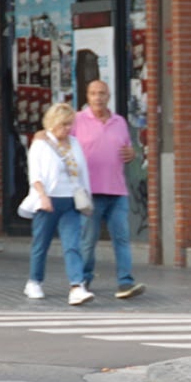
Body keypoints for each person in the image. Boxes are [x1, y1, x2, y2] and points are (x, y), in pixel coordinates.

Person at [72, 80, 145, 299]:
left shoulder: (119, 122)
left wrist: (132, 155)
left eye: (102, 93)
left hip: (117, 190)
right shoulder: (77, 120)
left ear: (109, 95)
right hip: (89, 191)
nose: (98, 98)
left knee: (121, 238)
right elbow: (58, 140)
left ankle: (125, 282)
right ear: (87, 96)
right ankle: (82, 280)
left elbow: (129, 149)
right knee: (88, 239)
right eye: (93, 93)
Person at [21, 103, 96, 306]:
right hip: (49, 200)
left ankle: (76, 286)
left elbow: (82, 172)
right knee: (41, 244)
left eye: (70, 124)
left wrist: (86, 197)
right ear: (52, 124)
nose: (68, 129)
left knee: (72, 245)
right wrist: (42, 196)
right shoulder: (41, 144)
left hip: (70, 200)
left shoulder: (74, 143)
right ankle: (34, 281)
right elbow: (35, 173)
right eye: (63, 124)